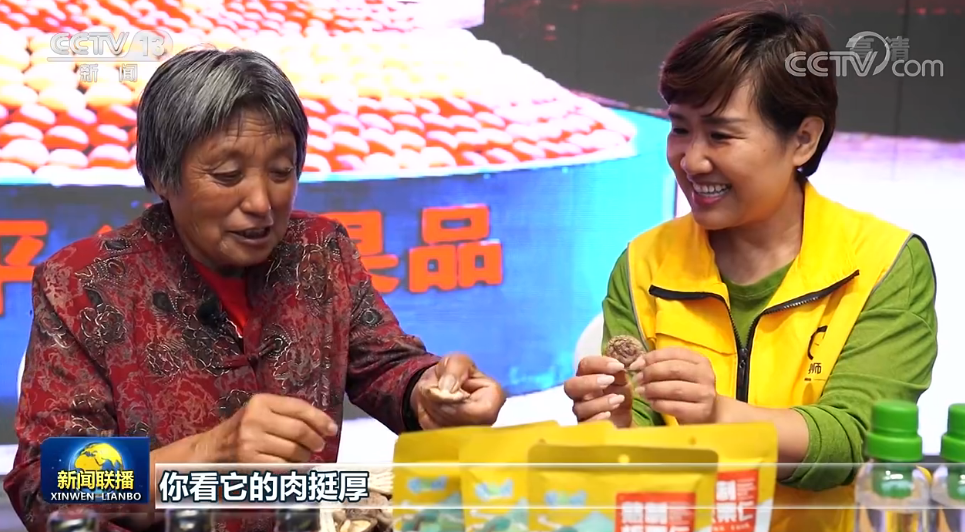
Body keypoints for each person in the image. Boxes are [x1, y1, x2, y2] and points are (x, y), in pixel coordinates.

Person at [5, 48, 506, 532]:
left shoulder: (319, 252)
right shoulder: (83, 284)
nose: (262, 203)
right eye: (227, 175)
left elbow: (383, 365)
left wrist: (429, 392)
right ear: (161, 175)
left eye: (281, 172)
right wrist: (206, 454)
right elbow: (48, 481)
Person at [564, 8, 938, 532]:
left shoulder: (884, 262)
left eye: (721, 135)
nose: (692, 160)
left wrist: (718, 415)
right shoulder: (643, 263)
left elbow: (856, 441)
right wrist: (616, 424)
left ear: (803, 140)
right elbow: (637, 445)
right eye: (680, 129)